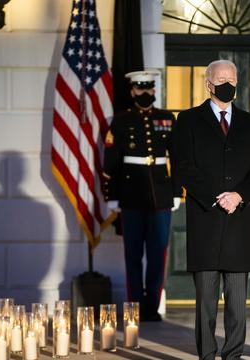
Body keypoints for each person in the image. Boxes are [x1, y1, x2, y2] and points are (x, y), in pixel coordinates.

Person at [172, 60, 250, 360]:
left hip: (238, 222)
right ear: (208, 83)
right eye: (221, 78)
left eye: (232, 79)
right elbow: (184, 167)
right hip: (206, 221)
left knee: (238, 304)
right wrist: (215, 197)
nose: (227, 83)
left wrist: (238, 195)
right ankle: (207, 355)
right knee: (206, 304)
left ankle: (234, 354)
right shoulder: (187, 121)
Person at [102, 71, 182, 322]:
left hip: (160, 194)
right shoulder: (121, 121)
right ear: (132, 91)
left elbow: (178, 158)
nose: (145, 93)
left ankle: (152, 307)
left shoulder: (167, 119)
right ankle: (134, 308)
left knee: (158, 254)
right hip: (131, 194)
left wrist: (177, 191)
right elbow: (111, 160)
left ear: (154, 90)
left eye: (149, 89)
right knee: (133, 253)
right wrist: (111, 195)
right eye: (140, 89)